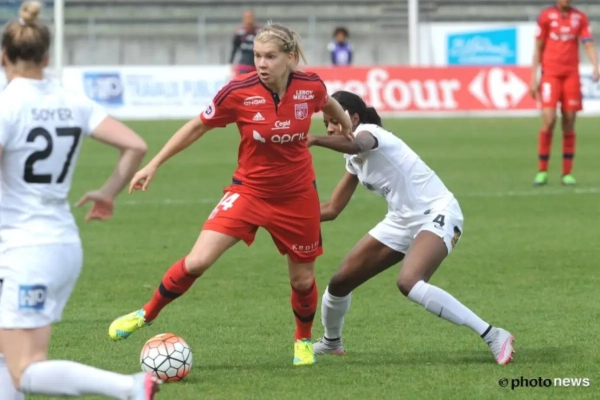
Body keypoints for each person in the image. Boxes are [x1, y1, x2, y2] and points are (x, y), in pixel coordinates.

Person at [108, 22, 353, 367]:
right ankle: (145, 314)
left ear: (290, 58)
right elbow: (197, 126)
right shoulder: (238, 90)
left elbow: (328, 103)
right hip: (249, 191)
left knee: (302, 281)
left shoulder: (309, 86)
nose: (261, 63)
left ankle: (302, 341)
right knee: (197, 261)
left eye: (270, 56)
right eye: (257, 56)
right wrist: (154, 164)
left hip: (297, 195)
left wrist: (345, 123)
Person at [0, 2, 159, 399]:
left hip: (25, 248)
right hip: (59, 242)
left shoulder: (6, 106)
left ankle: (130, 388)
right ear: (47, 58)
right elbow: (135, 145)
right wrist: (107, 192)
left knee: (24, 368)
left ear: (3, 56)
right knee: (6, 354)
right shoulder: (72, 102)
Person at [306, 91, 515, 365]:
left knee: (409, 282)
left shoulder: (370, 133)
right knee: (340, 282)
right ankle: (332, 342)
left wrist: (314, 139)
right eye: (326, 124)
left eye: (335, 121)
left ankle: (493, 334)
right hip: (400, 221)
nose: (330, 128)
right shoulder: (353, 159)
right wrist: (280, 217)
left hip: (438, 212)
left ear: (354, 119)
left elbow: (357, 144)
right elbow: (332, 208)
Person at [530, 0, 598, 186]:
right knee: (549, 119)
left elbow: (587, 42)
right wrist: (533, 77)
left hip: (571, 75)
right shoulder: (546, 16)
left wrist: (595, 64)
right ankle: (542, 171)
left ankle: (567, 173)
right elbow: (538, 47)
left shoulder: (580, 17)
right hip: (550, 74)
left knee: (569, 121)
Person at [229, 10, 260, 77]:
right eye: (247, 17)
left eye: (250, 17)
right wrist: (231, 63)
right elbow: (234, 49)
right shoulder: (239, 33)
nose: (249, 20)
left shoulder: (259, 32)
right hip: (243, 66)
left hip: (256, 66)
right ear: (244, 19)